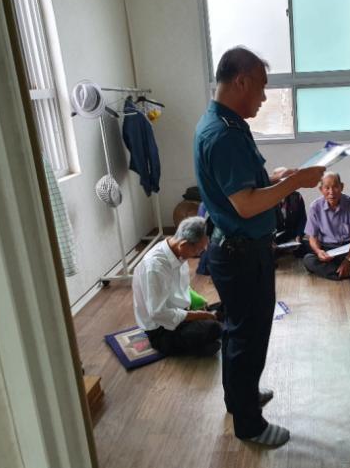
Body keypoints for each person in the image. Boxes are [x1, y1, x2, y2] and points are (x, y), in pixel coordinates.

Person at [193, 46, 324, 447]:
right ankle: (249, 424)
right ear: (241, 82)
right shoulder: (223, 135)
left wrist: (277, 178)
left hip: (236, 248)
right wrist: (295, 183)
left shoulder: (225, 123)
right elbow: (246, 204)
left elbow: (245, 186)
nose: (265, 97)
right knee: (248, 337)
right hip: (241, 253)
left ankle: (240, 398)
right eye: (262, 87)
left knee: (239, 332)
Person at [133, 216, 222, 357]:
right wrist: (199, 315)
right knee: (214, 328)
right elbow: (158, 313)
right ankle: (193, 343)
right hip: (162, 329)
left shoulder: (176, 251)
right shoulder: (155, 267)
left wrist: (196, 303)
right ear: (184, 245)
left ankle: (203, 340)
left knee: (226, 306)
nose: (201, 253)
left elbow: (181, 287)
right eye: (199, 249)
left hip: (182, 313)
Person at [274, 189, 307, 258]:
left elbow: (302, 219)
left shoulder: (296, 196)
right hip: (276, 237)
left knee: (305, 250)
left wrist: (299, 235)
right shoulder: (270, 199)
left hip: (293, 235)